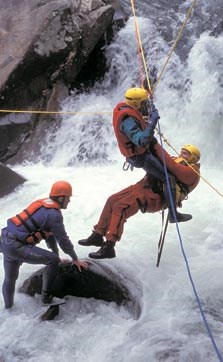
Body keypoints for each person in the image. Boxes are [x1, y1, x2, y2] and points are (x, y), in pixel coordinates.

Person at [78, 143, 200, 259]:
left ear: (194, 158)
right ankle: (98, 235)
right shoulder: (175, 160)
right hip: (143, 186)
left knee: (120, 207)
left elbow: (172, 167)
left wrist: (155, 144)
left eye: (185, 154)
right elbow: (159, 160)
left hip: (156, 196)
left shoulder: (193, 172)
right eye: (181, 152)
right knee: (112, 200)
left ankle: (109, 245)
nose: (180, 154)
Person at [0, 180, 88, 309]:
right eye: (68, 198)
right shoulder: (54, 215)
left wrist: (56, 256)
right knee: (52, 260)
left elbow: (49, 236)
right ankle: (46, 298)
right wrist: (75, 259)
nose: (69, 201)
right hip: (16, 246)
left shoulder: (42, 205)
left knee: (9, 279)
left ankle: (8, 308)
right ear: (61, 197)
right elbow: (63, 240)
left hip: (5, 241)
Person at [112, 87, 194, 223]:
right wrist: (152, 122)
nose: (146, 106)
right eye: (143, 103)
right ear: (136, 104)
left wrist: (147, 95)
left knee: (162, 172)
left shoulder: (128, 110)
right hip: (140, 157)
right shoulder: (128, 121)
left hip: (138, 154)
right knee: (168, 178)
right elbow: (141, 140)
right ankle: (173, 215)